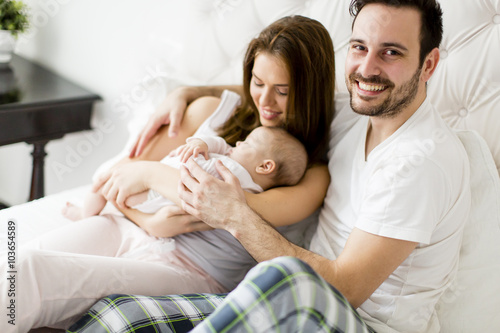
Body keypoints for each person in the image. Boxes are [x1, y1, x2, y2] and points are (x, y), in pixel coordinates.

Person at [69, 0, 471, 332]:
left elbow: (345, 288)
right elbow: (278, 92)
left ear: (429, 64)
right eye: (359, 47)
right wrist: (188, 91)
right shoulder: (359, 111)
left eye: (392, 52)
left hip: (352, 318)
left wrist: (234, 215)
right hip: (290, 298)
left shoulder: (420, 163)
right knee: (119, 317)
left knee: (281, 277)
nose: (367, 69)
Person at [0, 15, 336, 332]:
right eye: (258, 82)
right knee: (17, 262)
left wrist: (149, 174)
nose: (265, 100)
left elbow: (226, 208)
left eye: (283, 90)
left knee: (31, 273)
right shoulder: (219, 120)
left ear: (310, 92)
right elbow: (124, 174)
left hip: (191, 270)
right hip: (132, 225)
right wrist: (146, 218)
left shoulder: (310, 175)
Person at [63, 126, 308, 239]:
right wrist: (203, 144)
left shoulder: (238, 182)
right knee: (110, 181)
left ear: (265, 167)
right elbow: (219, 143)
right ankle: (90, 212)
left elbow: (207, 199)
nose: (239, 144)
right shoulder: (231, 157)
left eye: (248, 143)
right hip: (159, 188)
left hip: (159, 197)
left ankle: (87, 214)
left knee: (105, 182)